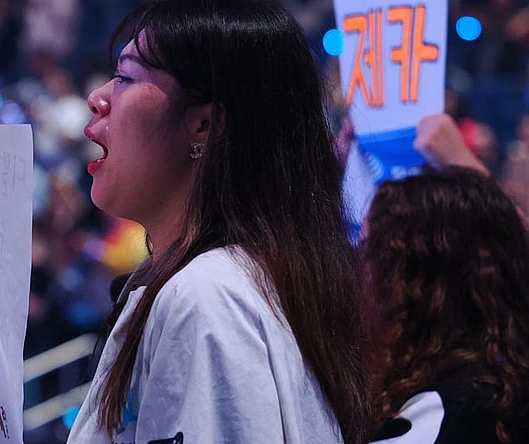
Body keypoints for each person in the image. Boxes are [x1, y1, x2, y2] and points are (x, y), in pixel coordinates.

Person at [66, 0, 375, 443]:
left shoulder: (206, 295)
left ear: (205, 125)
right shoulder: (242, 280)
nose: (97, 98)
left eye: (126, 77)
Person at [362, 167, 529, 443]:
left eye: (366, 248)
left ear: (406, 283)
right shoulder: (504, 390)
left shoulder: (439, 414)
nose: (353, 270)